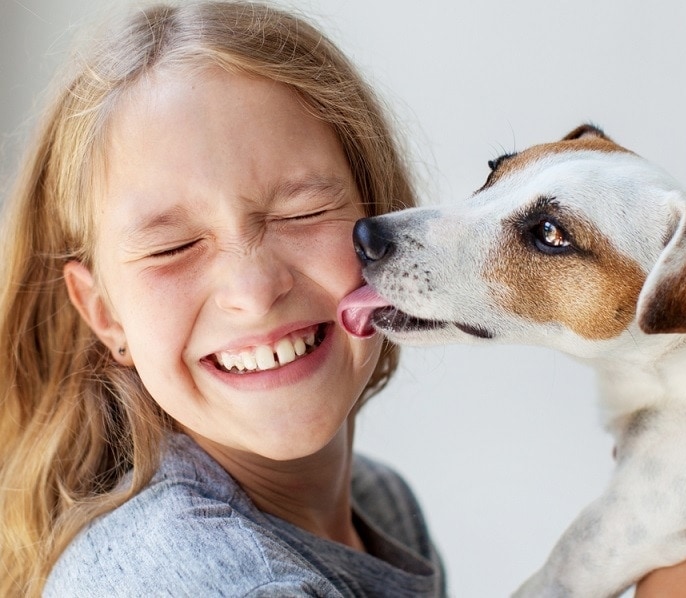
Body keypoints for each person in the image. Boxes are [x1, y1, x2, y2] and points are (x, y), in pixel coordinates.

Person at [0, 1, 444, 596]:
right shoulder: (209, 579)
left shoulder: (381, 506)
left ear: (381, 220)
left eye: (302, 212)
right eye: (173, 247)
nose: (255, 291)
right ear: (104, 313)